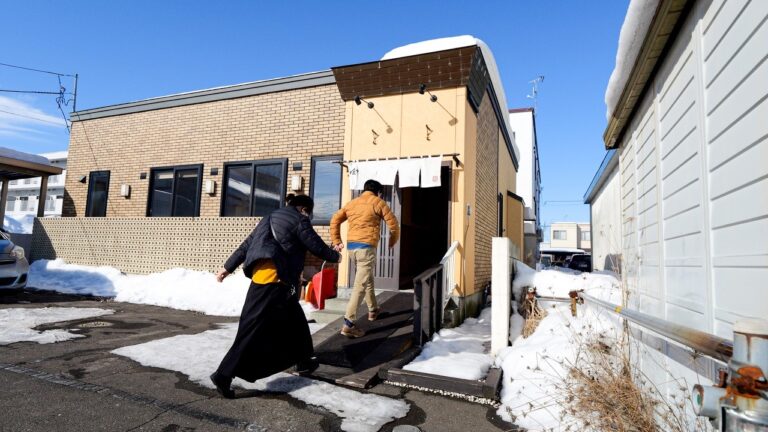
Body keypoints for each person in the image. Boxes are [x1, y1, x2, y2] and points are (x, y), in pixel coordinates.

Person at [210, 194, 340, 398]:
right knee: (251, 329)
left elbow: (246, 246)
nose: (309, 216)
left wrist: (227, 268)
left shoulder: (269, 217)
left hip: (272, 282)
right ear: (304, 209)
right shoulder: (300, 219)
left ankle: (305, 360)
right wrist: (335, 255)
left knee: (295, 319)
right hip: (273, 282)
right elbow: (315, 245)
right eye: (309, 212)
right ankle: (223, 374)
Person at [330, 179, 399, 338]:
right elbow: (393, 224)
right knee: (360, 285)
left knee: (367, 279)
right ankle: (349, 323)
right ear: (378, 191)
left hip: (352, 248)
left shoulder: (352, 203)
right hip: (366, 248)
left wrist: (337, 241)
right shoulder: (378, 202)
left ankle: (373, 310)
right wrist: (392, 241)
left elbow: (335, 219)